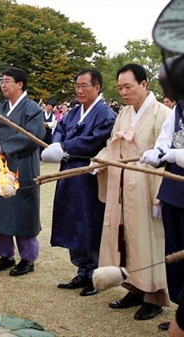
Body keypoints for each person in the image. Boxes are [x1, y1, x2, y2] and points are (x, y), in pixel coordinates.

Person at [95, 63, 171, 320]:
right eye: (119, 88)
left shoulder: (162, 114)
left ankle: (154, 296)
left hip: (147, 186)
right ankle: (134, 287)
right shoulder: (124, 113)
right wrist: (100, 161)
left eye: (128, 86)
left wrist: (160, 196)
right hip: (122, 183)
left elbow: (165, 158)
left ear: (143, 84)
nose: (124, 92)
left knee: (148, 240)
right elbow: (113, 144)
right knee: (125, 238)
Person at [40, 69, 116, 296]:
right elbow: (60, 131)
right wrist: (57, 145)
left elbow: (94, 140)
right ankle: (82, 270)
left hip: (89, 174)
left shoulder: (106, 114)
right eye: (77, 86)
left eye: (84, 86)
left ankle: (95, 273)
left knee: (90, 221)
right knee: (71, 219)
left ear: (97, 87)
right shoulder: (73, 113)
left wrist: (65, 147)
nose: (79, 90)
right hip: (68, 172)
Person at [0, 67, 45, 276]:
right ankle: (5, 254)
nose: (3, 84)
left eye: (7, 81)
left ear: (20, 84)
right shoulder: (0, 108)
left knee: (22, 210)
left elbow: (33, 135)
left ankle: (28, 258)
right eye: (1, 81)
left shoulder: (32, 109)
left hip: (22, 165)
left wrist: (5, 146)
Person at [140, 4, 184, 330]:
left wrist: (172, 156)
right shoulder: (180, 108)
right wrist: (156, 152)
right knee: (176, 251)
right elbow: (167, 137)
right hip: (173, 188)